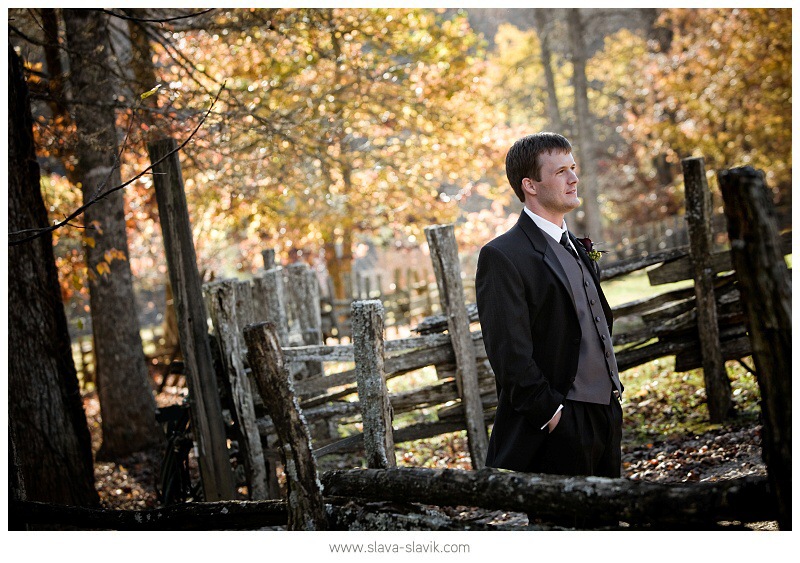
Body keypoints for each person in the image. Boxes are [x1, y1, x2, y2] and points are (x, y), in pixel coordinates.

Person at [475, 132, 623, 478]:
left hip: (606, 414)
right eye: (560, 172)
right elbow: (509, 354)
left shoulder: (577, 246)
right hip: (559, 425)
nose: (574, 179)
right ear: (530, 185)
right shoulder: (502, 255)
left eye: (573, 168)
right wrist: (554, 416)